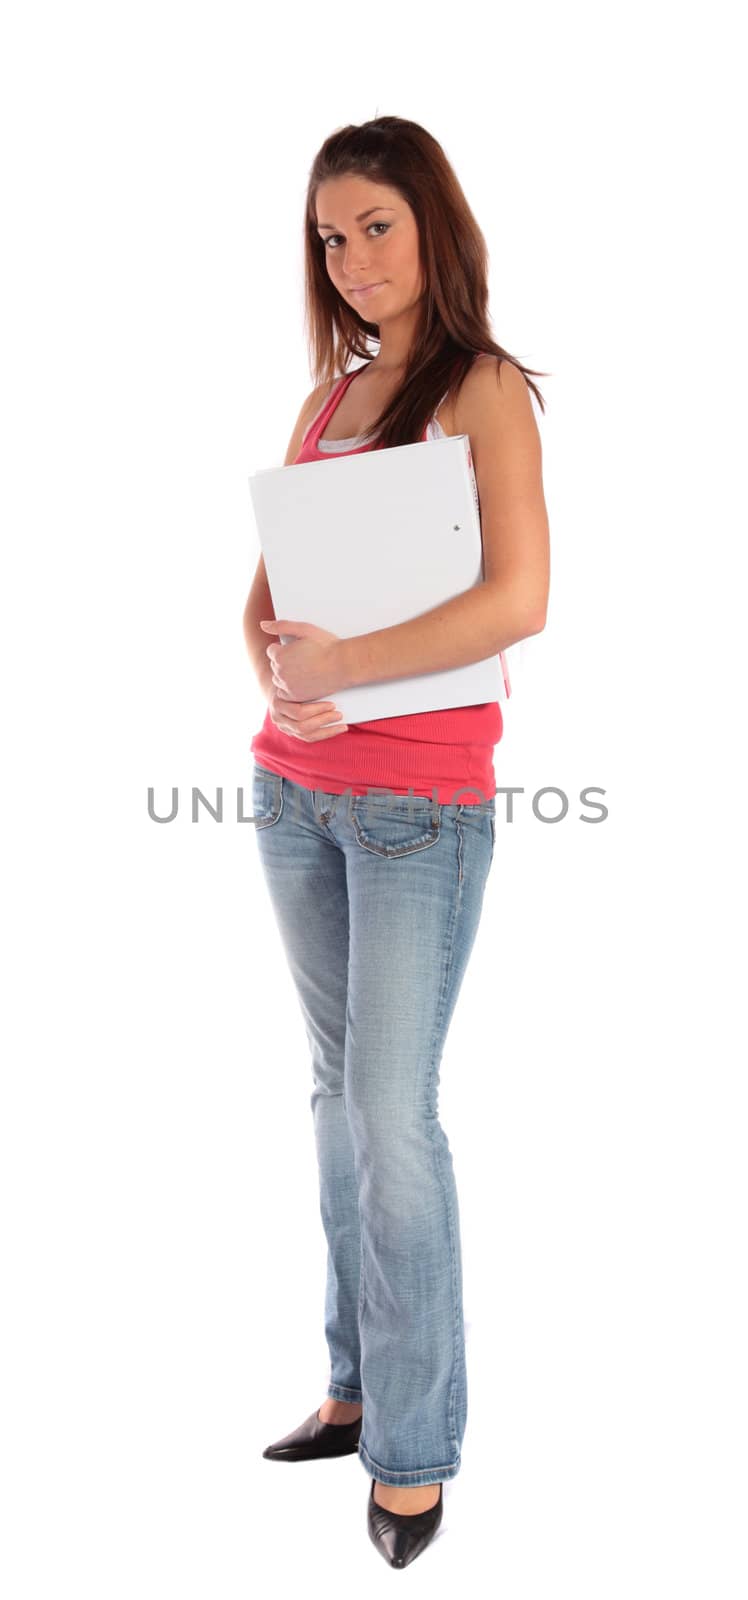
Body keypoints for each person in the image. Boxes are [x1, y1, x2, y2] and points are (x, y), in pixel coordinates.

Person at [242, 115, 550, 1569]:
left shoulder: (481, 390)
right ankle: (357, 1383)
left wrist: (347, 669)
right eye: (330, 234)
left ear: (433, 224)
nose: (352, 259)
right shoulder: (326, 400)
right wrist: (281, 680)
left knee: (394, 1118)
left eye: (375, 225)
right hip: (295, 796)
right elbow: (265, 599)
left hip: (421, 804)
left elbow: (517, 602)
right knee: (332, 1103)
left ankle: (415, 1451)